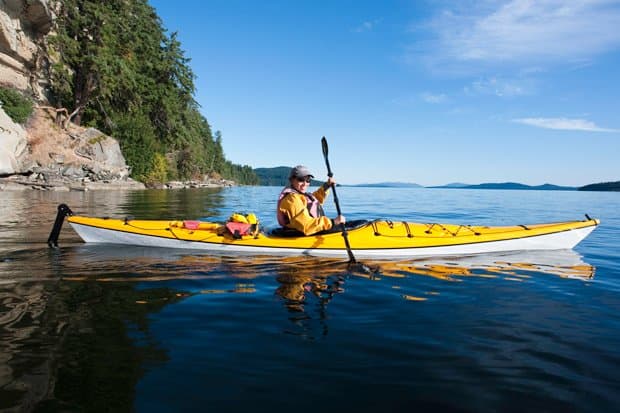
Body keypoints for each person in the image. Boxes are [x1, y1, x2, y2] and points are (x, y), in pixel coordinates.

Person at [276, 165, 346, 235]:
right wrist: (332, 222)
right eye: (301, 179)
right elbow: (306, 225)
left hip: (312, 230)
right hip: (303, 234)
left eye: (308, 180)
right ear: (292, 180)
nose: (305, 184)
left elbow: (313, 202)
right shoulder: (292, 199)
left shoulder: (299, 195)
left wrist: (326, 186)